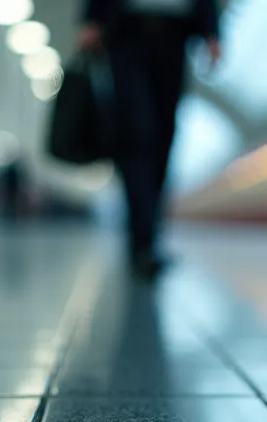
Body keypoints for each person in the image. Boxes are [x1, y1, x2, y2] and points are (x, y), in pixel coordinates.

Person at [78, 0, 222, 279]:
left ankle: (149, 238)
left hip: (175, 37)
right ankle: (143, 241)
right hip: (127, 34)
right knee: (136, 134)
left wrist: (212, 32)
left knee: (163, 138)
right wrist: (92, 18)